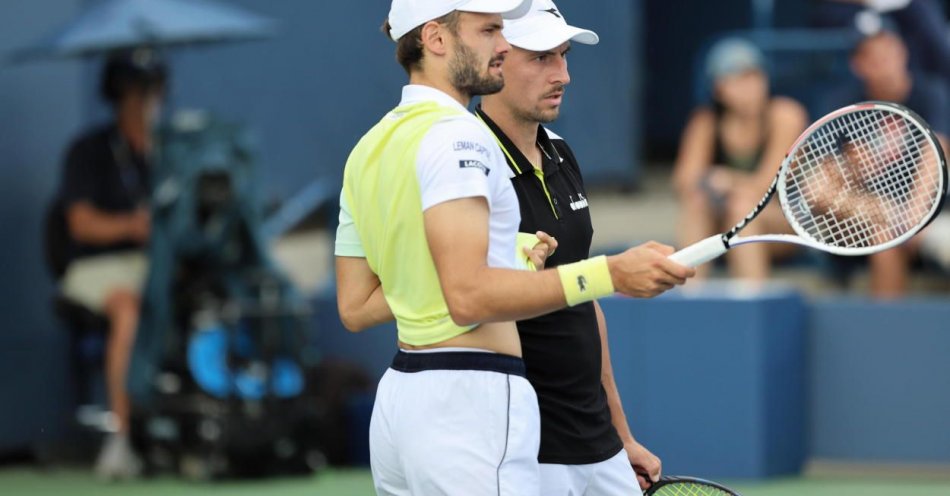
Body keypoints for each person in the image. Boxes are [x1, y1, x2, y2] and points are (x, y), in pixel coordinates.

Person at [334, 1, 694, 493]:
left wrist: (507, 265)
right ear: (436, 39)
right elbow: (469, 299)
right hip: (472, 397)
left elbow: (357, 305)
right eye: (488, 30)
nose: (501, 45)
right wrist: (610, 273)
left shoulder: (369, 147)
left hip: (407, 398)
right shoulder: (460, 137)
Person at [475, 1, 659, 493]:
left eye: (563, 56)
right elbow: (465, 298)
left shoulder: (560, 150)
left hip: (596, 444)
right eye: (540, 58)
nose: (563, 75)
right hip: (520, 450)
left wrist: (622, 436)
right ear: (495, 58)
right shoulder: (468, 163)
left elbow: (583, 301)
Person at [56, 48, 165, 479]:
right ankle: (120, 437)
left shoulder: (168, 151)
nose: (145, 102)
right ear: (117, 96)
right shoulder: (89, 150)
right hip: (95, 269)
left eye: (151, 91)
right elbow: (81, 224)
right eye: (135, 93)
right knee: (128, 306)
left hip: (151, 264)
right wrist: (132, 226)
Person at [672, 38, 808, 281]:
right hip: (722, 225)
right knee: (697, 203)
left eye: (754, 77)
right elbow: (683, 182)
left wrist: (727, 181)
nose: (749, 87)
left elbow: (768, 186)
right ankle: (688, 300)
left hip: (784, 225)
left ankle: (751, 301)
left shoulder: (785, 114)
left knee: (741, 207)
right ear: (718, 88)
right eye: (736, 79)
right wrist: (708, 186)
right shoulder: (705, 122)